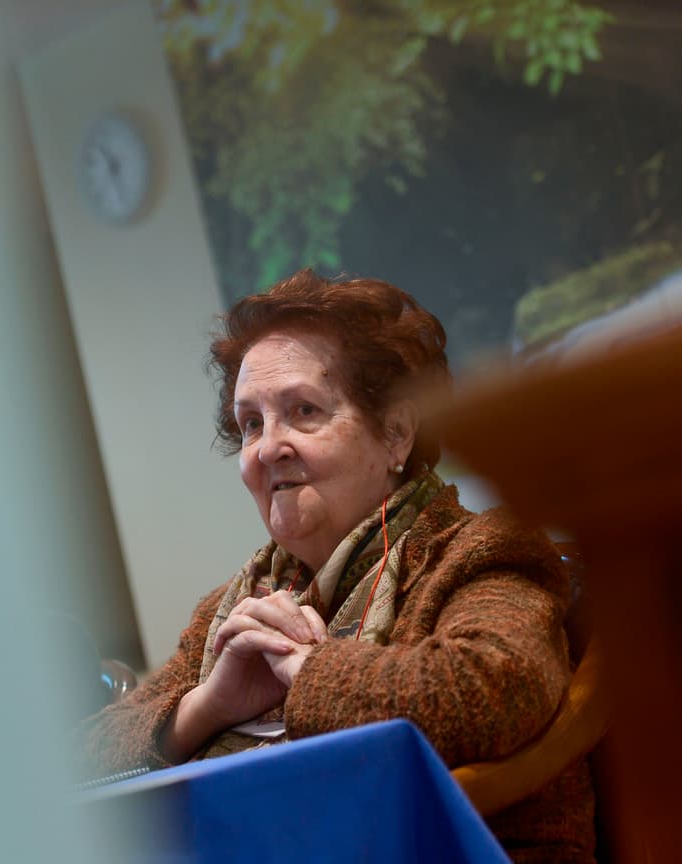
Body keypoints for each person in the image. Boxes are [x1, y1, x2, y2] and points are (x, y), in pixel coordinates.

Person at [83, 269, 595, 861]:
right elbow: (83, 759)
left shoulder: (480, 550)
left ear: (397, 433)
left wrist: (308, 671)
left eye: (303, 410)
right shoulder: (236, 611)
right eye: (251, 423)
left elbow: (496, 689)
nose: (268, 447)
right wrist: (207, 707)